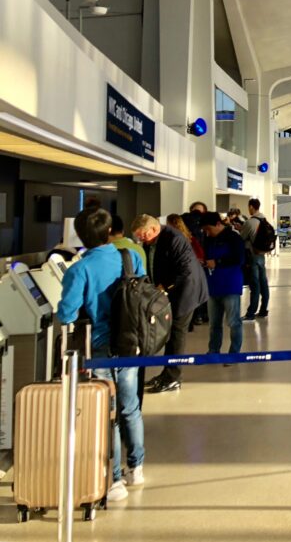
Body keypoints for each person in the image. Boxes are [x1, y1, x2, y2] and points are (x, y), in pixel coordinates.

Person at [56, 208, 147, 502]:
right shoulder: (129, 257)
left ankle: (114, 479)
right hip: (130, 342)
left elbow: (67, 313)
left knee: (108, 413)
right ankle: (137, 468)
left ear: (80, 236)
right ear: (109, 231)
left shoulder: (79, 269)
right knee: (130, 407)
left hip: (99, 348)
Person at [132, 214, 208, 394]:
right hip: (171, 292)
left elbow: (185, 270)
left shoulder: (173, 238)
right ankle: (167, 373)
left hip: (185, 292)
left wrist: (164, 286)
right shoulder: (151, 241)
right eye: (138, 236)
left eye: (143, 235)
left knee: (176, 334)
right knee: (170, 333)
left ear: (153, 229)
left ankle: (174, 377)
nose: (140, 239)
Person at [200, 212, 245, 356]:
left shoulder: (234, 238)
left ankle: (234, 353)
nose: (207, 232)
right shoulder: (209, 240)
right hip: (213, 286)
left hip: (230, 285)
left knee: (233, 322)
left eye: (208, 229)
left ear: (218, 224)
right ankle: (213, 350)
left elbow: (239, 259)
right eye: (205, 230)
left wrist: (218, 262)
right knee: (214, 324)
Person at [240, 198, 272, 320]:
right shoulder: (264, 219)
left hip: (252, 255)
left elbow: (242, 238)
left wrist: (240, 229)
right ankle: (263, 310)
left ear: (251, 207)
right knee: (263, 283)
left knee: (254, 285)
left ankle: (250, 314)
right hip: (261, 255)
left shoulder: (250, 222)